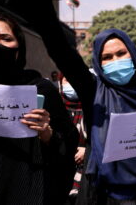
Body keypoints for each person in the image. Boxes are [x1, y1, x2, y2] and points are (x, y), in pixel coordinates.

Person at [7, 0, 136, 205]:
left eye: (121, 54)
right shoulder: (95, 92)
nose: (115, 61)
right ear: (98, 64)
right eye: (106, 57)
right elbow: (61, 49)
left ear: (133, 56)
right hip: (101, 197)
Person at [0, 13, 78, 204]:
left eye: (6, 38)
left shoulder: (40, 89)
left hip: (27, 191)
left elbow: (68, 144)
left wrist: (48, 135)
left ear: (19, 47)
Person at [59, 74, 87, 204]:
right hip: (60, 169)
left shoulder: (92, 108)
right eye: (66, 79)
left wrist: (87, 151)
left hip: (85, 171)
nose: (71, 83)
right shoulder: (55, 108)